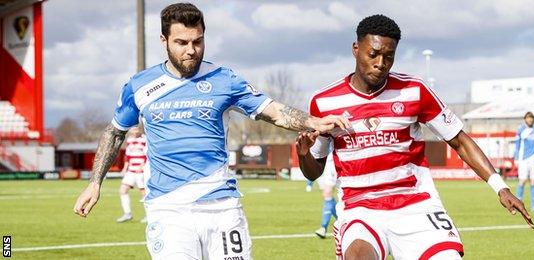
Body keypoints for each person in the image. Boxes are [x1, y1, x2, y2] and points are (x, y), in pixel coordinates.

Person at [73, 3, 349, 259]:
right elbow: (114, 132)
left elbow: (272, 110)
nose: (191, 50)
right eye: (181, 43)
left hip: (223, 208)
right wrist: (95, 183)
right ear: (164, 41)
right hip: (170, 211)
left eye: (198, 41)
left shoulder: (224, 79)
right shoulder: (139, 86)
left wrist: (312, 121)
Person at [296, 14, 534, 260]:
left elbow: (459, 140)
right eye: (373, 54)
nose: (381, 63)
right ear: (356, 49)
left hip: (415, 206)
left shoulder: (414, 91)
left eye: (389, 56)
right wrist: (304, 155)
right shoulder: (324, 102)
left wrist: (500, 188)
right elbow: (313, 171)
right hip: (360, 209)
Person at [116, 127, 148, 223]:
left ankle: (148, 214)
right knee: (123, 190)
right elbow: (128, 156)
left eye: (136, 129)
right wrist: (125, 168)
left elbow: (148, 154)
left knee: (143, 193)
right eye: (133, 130)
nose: (134, 132)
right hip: (131, 170)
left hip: (141, 171)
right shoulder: (129, 140)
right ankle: (127, 214)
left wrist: (142, 166)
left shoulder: (145, 139)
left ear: (139, 130)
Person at [313, 151, 338, 239]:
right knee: (327, 193)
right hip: (330, 161)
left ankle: (342, 221)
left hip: (340, 158)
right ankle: (324, 227)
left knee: (342, 194)